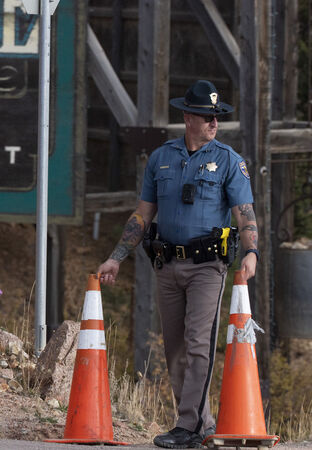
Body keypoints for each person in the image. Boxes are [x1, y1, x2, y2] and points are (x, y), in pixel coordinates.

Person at [96, 80, 259, 449]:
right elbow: (142, 215)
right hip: (167, 263)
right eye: (207, 116)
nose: (214, 123)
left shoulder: (230, 161)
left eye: (216, 117)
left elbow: (245, 214)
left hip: (207, 267)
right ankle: (200, 424)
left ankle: (187, 426)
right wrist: (117, 257)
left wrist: (251, 252)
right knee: (174, 347)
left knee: (199, 343)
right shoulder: (161, 158)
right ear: (188, 117)